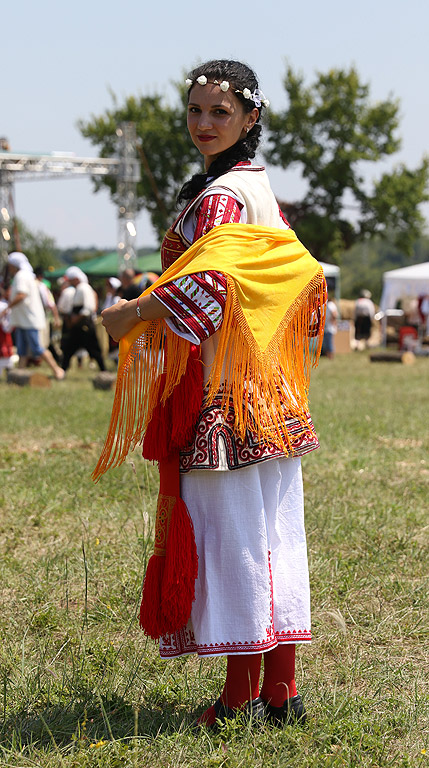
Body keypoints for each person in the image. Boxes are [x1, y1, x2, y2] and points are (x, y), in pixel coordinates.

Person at [97, 60, 326, 730]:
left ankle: (235, 702)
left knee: (234, 546)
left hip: (222, 401)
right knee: (272, 542)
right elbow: (303, 289)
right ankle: (280, 694)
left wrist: (132, 313)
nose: (203, 124)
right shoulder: (260, 191)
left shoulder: (221, 197)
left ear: (250, 118)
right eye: (195, 112)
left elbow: (207, 295)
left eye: (219, 113)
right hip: (272, 396)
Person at [0, 252, 64, 380]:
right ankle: (20, 374)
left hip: (29, 319)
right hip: (24, 319)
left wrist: (8, 307)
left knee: (36, 347)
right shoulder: (26, 275)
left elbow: (21, 295)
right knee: (22, 349)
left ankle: (57, 370)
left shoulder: (21, 276)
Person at [61, 266, 106, 373]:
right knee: (69, 349)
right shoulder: (78, 289)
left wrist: (76, 319)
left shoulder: (84, 288)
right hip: (78, 326)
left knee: (93, 349)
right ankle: (62, 370)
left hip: (84, 325)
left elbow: (88, 308)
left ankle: (104, 370)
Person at [321, 291, 338, 359]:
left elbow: (334, 314)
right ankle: (328, 356)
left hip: (329, 327)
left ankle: (331, 356)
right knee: (327, 343)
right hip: (327, 327)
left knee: (329, 343)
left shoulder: (330, 304)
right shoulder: (327, 304)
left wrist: (333, 322)